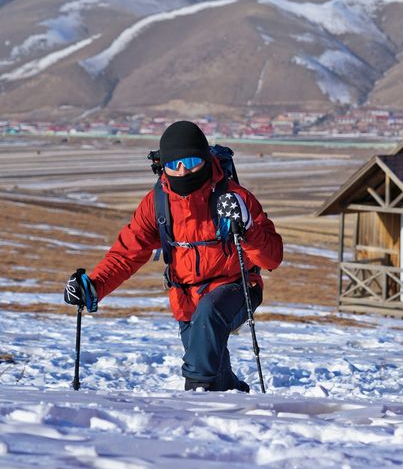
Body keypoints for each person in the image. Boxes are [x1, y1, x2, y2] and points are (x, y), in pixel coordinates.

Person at [63, 120, 283, 392]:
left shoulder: (235, 198)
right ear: (162, 164)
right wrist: (93, 286)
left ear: (205, 158)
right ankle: (232, 392)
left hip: (237, 288)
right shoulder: (157, 204)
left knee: (208, 324)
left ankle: (195, 392)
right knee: (213, 368)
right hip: (185, 298)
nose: (183, 170)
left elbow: (272, 258)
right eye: (174, 164)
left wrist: (247, 229)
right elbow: (127, 253)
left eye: (191, 161)